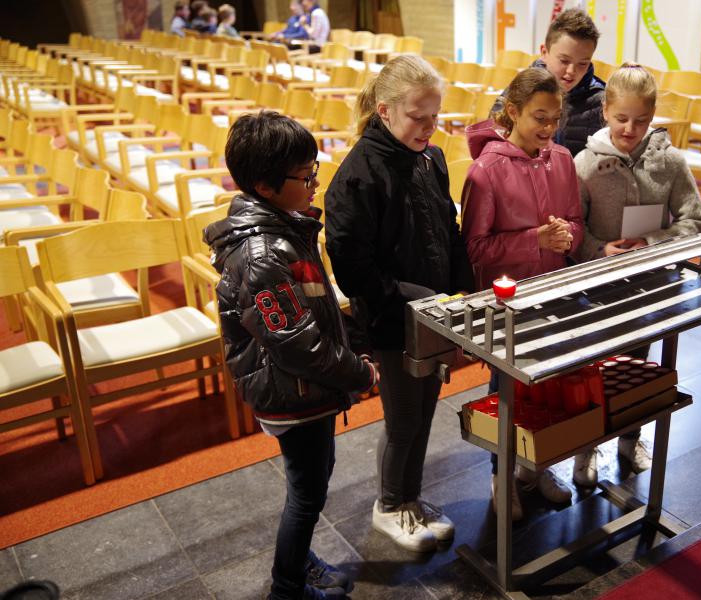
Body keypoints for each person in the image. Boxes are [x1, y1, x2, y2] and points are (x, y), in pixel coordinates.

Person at [205, 111, 379, 600]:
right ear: (264, 186)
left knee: (313, 476)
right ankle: (288, 587)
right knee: (307, 493)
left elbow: (311, 311)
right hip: (291, 388)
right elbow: (296, 345)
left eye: (313, 171)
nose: (314, 184)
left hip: (304, 385)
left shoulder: (285, 227)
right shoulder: (263, 254)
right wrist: (359, 373)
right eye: (305, 177)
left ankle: (299, 562)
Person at [325, 55, 474, 553]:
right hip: (393, 317)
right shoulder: (358, 175)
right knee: (404, 418)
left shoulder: (430, 158)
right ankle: (390, 505)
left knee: (426, 410)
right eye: (419, 116)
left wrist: (461, 293)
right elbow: (353, 269)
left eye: (436, 116)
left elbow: (448, 233)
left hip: (436, 312)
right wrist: (420, 302)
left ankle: (410, 498)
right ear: (385, 110)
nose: (430, 127)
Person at [573, 63, 701, 484]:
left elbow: (696, 220)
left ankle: (631, 440)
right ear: (605, 113)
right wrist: (600, 248)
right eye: (621, 118)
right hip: (597, 288)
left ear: (652, 118)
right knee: (592, 370)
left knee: (636, 366)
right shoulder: (585, 164)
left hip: (649, 286)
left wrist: (653, 241)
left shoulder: (669, 162)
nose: (630, 128)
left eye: (642, 120)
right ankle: (585, 449)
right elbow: (573, 228)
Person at [463, 68, 584, 520]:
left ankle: (538, 466)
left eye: (554, 118)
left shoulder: (563, 160)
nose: (548, 129)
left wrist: (565, 234)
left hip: (552, 290)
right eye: (539, 117)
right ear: (512, 111)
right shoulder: (486, 171)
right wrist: (535, 239)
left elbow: (574, 220)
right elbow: (475, 249)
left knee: (549, 385)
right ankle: (501, 473)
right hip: (507, 301)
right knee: (507, 392)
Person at [490, 8, 605, 158]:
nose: (571, 70)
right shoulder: (523, 89)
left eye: (583, 64)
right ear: (544, 52)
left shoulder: (599, 99)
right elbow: (493, 137)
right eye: (564, 61)